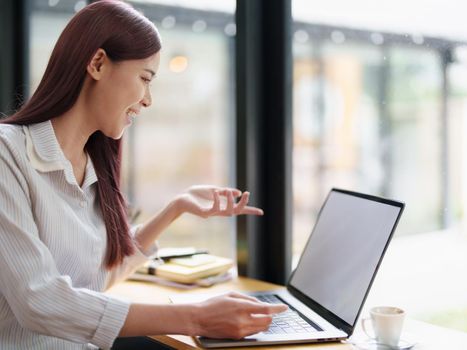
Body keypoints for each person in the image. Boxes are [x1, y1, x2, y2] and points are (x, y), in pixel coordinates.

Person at [0, 1, 287, 349]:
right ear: (98, 63)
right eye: (145, 78)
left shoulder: (90, 167)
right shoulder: (8, 153)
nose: (148, 99)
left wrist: (175, 209)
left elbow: (93, 282)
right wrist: (196, 316)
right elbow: (39, 301)